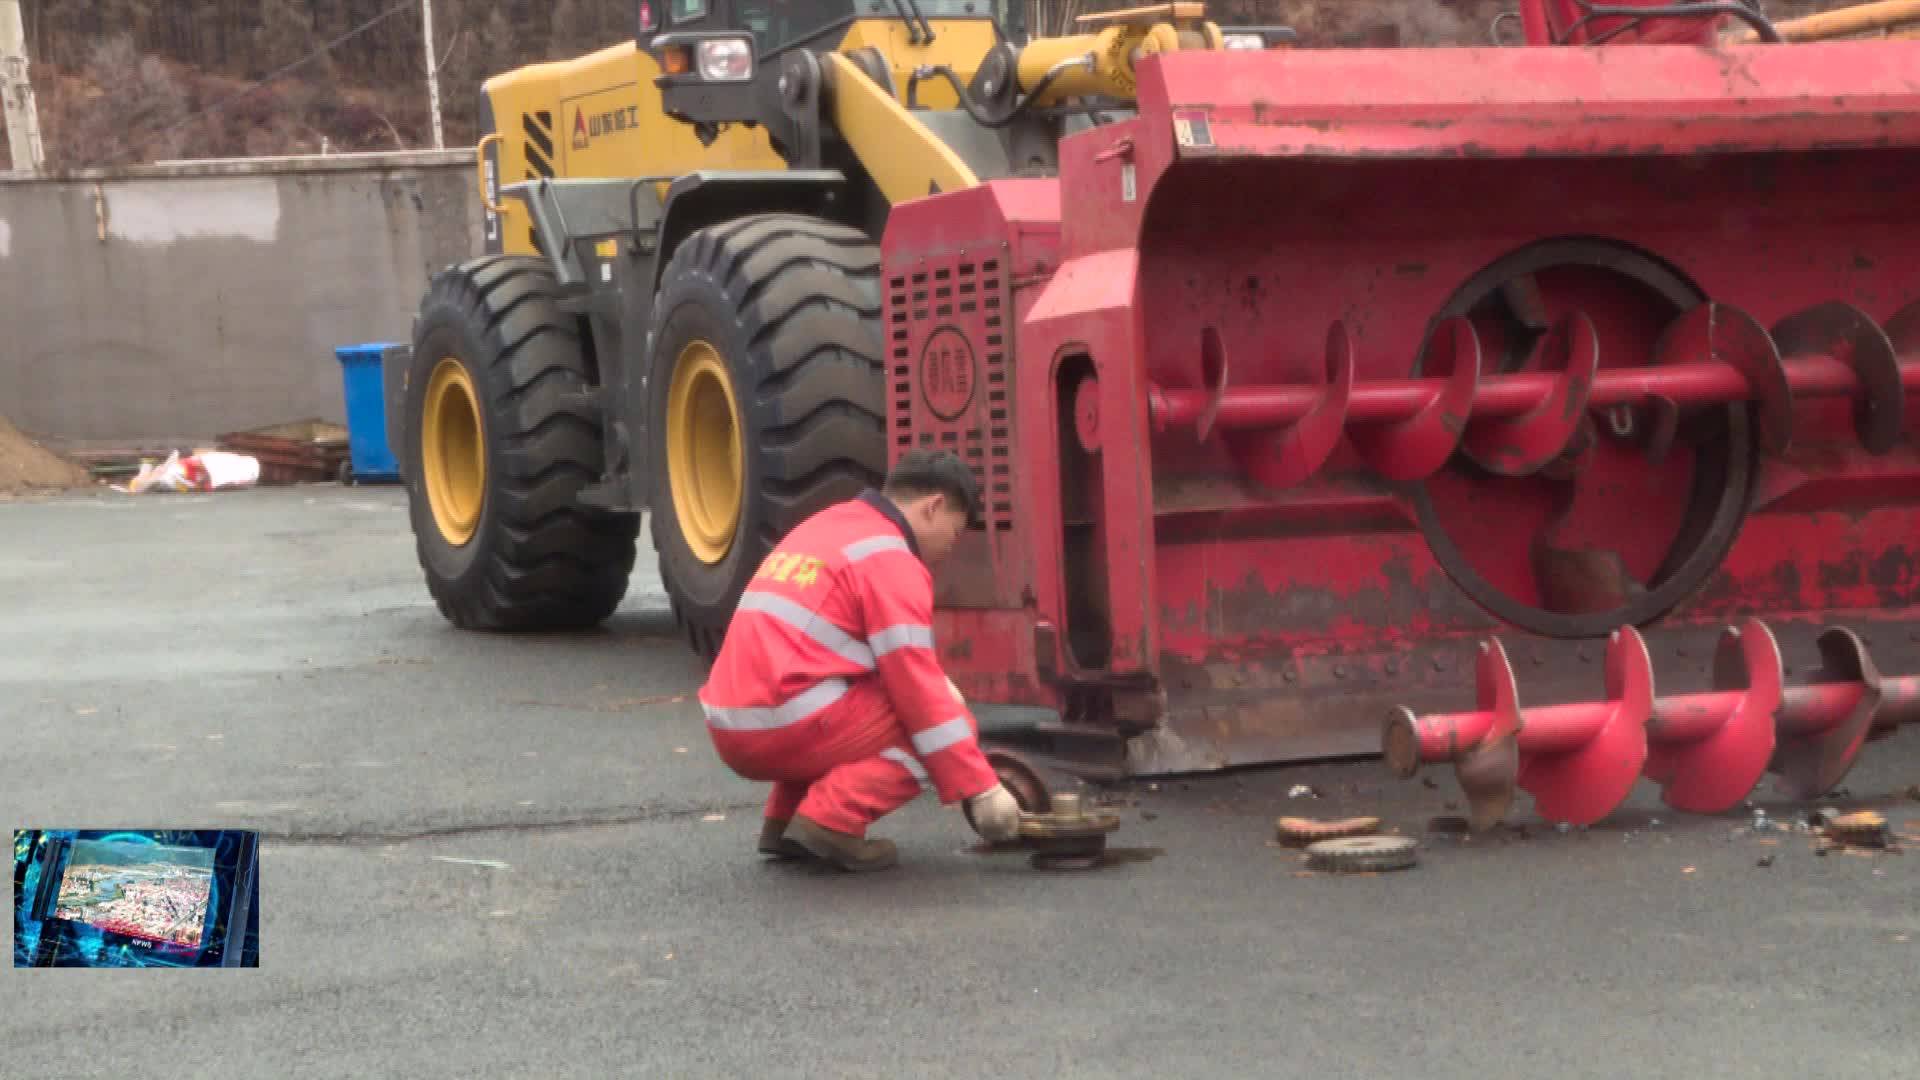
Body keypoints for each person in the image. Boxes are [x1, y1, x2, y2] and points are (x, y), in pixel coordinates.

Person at [696, 449, 1024, 871]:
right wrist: (982, 790)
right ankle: (831, 821)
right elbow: (918, 692)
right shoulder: (890, 558)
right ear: (934, 507)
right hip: (780, 722)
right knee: (941, 718)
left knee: (839, 695)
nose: (949, 549)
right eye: (955, 533)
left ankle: (784, 823)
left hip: (733, 722)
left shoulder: (828, 525)